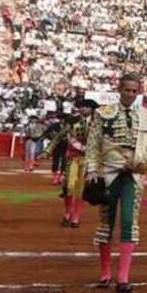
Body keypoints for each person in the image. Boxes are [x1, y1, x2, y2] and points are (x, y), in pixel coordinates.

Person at [85, 73, 147, 293]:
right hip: (108, 173)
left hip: (134, 175)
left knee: (129, 221)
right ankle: (105, 273)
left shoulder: (146, 117)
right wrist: (92, 170)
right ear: (119, 90)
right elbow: (93, 144)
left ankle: (123, 277)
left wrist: (143, 162)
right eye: (127, 90)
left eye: (134, 91)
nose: (130, 94)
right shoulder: (104, 114)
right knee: (106, 223)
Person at [55, 98, 97, 228]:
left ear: (91, 109)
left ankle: (75, 216)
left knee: (80, 189)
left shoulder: (98, 123)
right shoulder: (72, 121)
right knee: (68, 187)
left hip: (88, 159)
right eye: (81, 107)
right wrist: (47, 150)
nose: (83, 109)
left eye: (86, 107)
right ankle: (68, 212)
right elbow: (60, 136)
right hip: (72, 158)